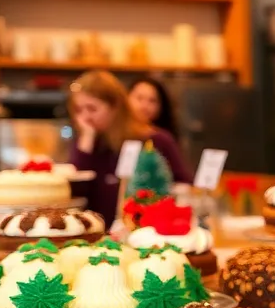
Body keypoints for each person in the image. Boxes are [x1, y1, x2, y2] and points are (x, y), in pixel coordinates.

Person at [68, 70, 192, 220]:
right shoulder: (87, 142)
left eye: (92, 109)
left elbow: (183, 186)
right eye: (78, 110)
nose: (84, 117)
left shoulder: (156, 140)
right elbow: (76, 192)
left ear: (115, 107)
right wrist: (86, 139)